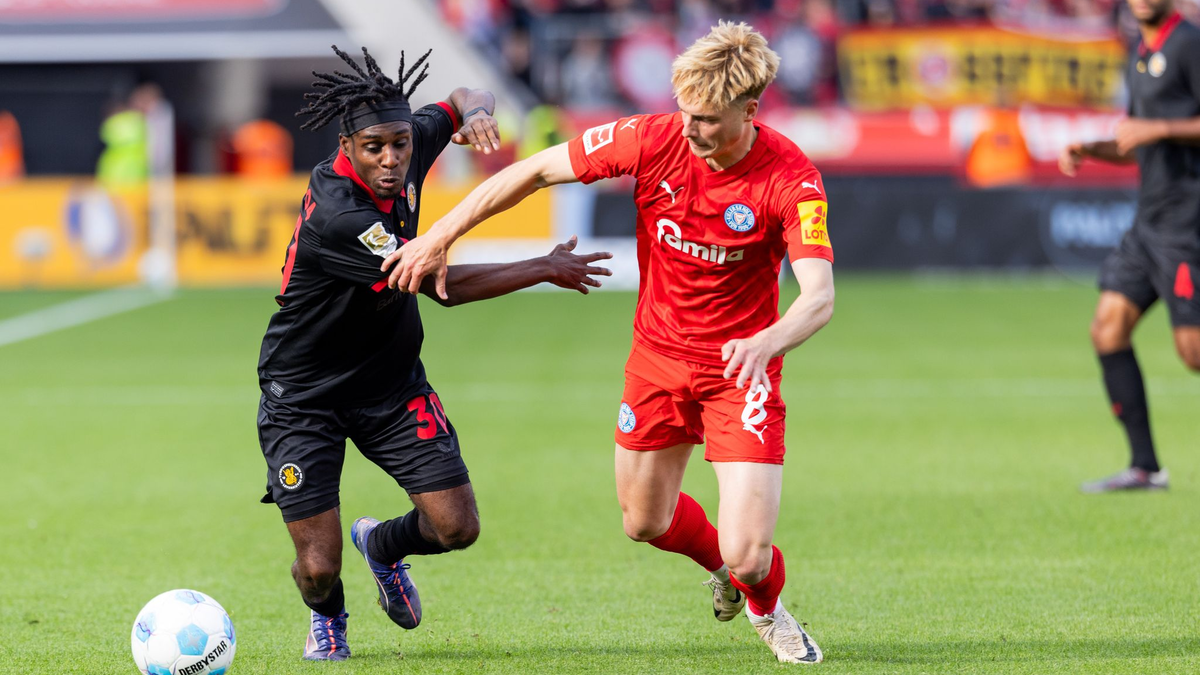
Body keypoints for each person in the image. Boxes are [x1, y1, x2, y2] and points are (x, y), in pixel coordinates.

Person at [383, 22, 836, 664]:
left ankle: (767, 609)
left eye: (707, 119)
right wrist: (438, 238)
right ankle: (721, 571)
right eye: (684, 111)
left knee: (750, 557)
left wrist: (768, 342)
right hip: (657, 361)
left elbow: (818, 296)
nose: (689, 128)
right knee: (643, 522)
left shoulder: (791, 178)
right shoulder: (652, 137)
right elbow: (535, 170)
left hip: (741, 373)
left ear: (750, 111)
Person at [256, 45, 612, 661]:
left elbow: (465, 96)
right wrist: (543, 266)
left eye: (399, 144)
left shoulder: (409, 139)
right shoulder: (340, 217)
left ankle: (383, 546)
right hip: (304, 399)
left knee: (457, 527)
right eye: (374, 148)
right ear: (347, 146)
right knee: (317, 566)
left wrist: (476, 113)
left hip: (391, 385)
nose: (391, 159)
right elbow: (441, 287)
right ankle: (328, 617)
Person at [1059, 0, 1200, 493]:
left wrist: (1159, 128)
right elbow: (1136, 141)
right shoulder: (1139, 52)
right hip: (1149, 224)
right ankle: (1145, 467)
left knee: (1193, 352)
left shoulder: (1189, 44)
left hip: (1188, 225)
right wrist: (1091, 149)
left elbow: (1154, 131)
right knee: (1108, 328)